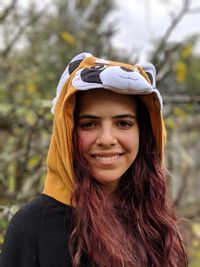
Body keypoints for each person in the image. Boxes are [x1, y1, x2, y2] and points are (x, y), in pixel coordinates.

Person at [0, 52, 188, 267]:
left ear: (143, 134)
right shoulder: (33, 227)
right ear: (67, 132)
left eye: (123, 123)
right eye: (89, 124)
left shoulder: (155, 221)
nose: (107, 139)